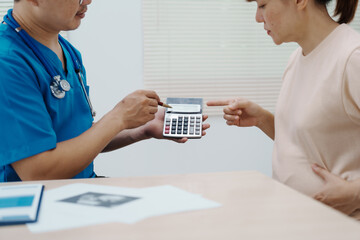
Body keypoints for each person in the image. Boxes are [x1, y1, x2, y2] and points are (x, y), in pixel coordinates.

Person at [0, 0, 210, 182]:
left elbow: (78, 137)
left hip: (77, 190)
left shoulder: (68, 51)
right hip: (34, 207)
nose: (88, 2)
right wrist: (118, 117)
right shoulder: (7, 62)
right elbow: (38, 172)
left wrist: (142, 128)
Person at [207, 0, 360, 219]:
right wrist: (263, 119)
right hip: (300, 223)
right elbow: (307, 145)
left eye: (263, 5)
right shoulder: (296, 59)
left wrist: (354, 193)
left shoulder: (352, 58)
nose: (258, 18)